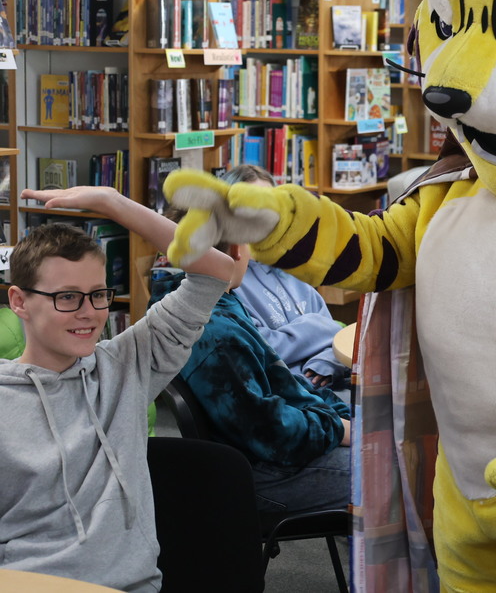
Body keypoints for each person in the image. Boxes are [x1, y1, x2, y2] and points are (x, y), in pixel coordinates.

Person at [0, 186, 234, 592]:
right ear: (19, 301)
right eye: (68, 297)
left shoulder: (127, 365)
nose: (89, 313)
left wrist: (112, 202)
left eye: (98, 294)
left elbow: (216, 270)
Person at [149, 218, 351, 514]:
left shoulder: (195, 300)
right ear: (236, 249)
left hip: (267, 454)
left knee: (385, 450)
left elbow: (286, 385)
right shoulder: (218, 333)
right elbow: (269, 431)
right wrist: (338, 428)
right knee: (393, 473)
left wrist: (340, 417)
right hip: (264, 473)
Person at [222, 164, 349, 389]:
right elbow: (263, 350)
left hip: (326, 380)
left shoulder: (292, 267)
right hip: (287, 396)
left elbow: (335, 338)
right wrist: (317, 326)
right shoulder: (231, 281)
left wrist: (326, 363)